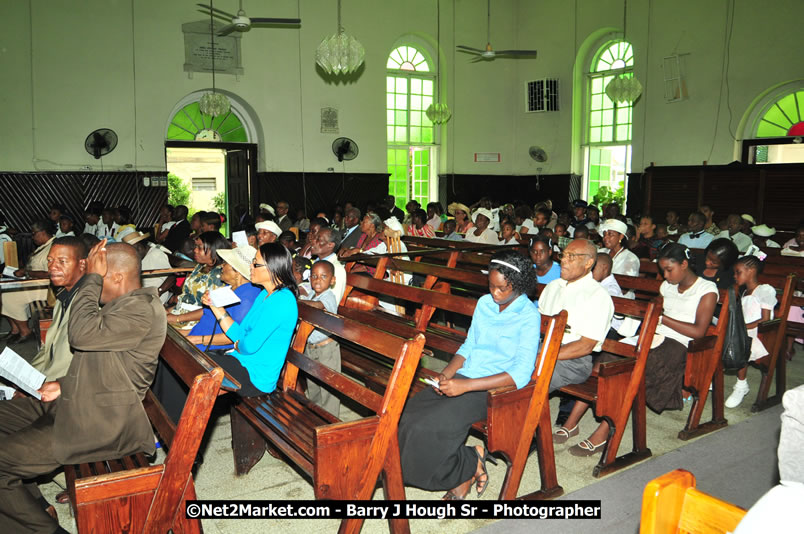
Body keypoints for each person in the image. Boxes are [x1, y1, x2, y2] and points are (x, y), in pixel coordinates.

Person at [0, 240, 165, 534]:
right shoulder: (124, 304)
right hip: (78, 400)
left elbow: (81, 336)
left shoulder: (141, 309)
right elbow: (108, 364)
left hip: (100, 424)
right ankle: (31, 505)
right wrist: (62, 384)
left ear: (116, 277)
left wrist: (88, 280)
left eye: (97, 276)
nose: (91, 281)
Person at [398, 250, 539, 500]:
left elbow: (521, 372)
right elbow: (468, 346)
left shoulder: (528, 315)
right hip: (466, 376)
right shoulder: (485, 304)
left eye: (502, 288)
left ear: (519, 285)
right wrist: (446, 374)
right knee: (407, 415)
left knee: (431, 426)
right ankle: (413, 468)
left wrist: (466, 386)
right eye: (491, 285)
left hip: (496, 388)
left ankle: (466, 464)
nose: (495, 293)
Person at [556, 243, 716, 456]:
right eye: (663, 270)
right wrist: (656, 320)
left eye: (669, 270)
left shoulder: (706, 289)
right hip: (654, 335)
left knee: (633, 370)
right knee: (608, 357)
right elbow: (656, 316)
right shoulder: (667, 287)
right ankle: (571, 423)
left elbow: (699, 331)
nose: (665, 275)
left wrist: (662, 319)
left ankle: (604, 432)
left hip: (681, 345)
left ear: (684, 264)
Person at [201, 242, 299, 396]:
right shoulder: (264, 294)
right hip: (242, 362)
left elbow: (249, 346)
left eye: (255, 264)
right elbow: (240, 333)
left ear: (271, 268)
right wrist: (215, 307)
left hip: (256, 376)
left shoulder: (282, 301)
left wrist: (239, 344)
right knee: (193, 364)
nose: (250, 267)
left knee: (199, 375)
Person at [27, 237, 87, 381]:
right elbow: (49, 348)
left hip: (66, 387)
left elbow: (77, 366)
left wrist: (41, 385)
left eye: (62, 261)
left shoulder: (88, 304)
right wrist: (28, 376)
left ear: (82, 264)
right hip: (45, 378)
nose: (52, 267)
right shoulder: (63, 296)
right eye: (49, 260)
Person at [725, 255, 777, 408]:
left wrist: (742, 328)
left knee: (739, 342)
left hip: (760, 334)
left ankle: (741, 386)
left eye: (738, 272)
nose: (735, 276)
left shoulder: (764, 290)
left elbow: (765, 319)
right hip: (745, 331)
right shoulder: (744, 292)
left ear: (752, 271)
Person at [298, 260, 341, 416]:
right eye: (314, 276)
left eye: (323, 276)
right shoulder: (310, 294)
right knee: (313, 383)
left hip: (327, 349)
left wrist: (297, 302)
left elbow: (317, 306)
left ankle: (331, 420)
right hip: (310, 347)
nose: (318, 280)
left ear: (332, 280)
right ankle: (316, 416)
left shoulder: (329, 296)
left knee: (329, 386)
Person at [0, 220, 54, 344]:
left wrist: (26, 272)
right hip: (34, 282)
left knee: (8, 297)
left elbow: (49, 274)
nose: (32, 236)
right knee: (3, 294)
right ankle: (15, 329)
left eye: (34, 233)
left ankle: (25, 331)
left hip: (44, 287)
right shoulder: (44, 246)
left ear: (43, 232)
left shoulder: (53, 247)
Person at [166, 231, 227, 329]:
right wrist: (169, 311)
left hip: (197, 321)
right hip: (181, 314)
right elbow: (187, 299)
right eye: (195, 246)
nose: (195, 250)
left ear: (213, 250)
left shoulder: (220, 274)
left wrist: (177, 318)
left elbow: (210, 310)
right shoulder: (199, 267)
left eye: (200, 247)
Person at [123, 231, 174, 305]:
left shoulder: (156, 255)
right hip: (141, 296)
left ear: (139, 247)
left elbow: (171, 277)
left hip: (154, 298)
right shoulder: (138, 257)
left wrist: (158, 292)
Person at [311, 226, 347, 303]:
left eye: (318, 239)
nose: (313, 241)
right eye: (314, 238)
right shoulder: (315, 262)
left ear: (330, 245)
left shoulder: (337, 270)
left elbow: (332, 303)